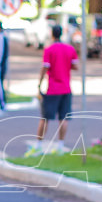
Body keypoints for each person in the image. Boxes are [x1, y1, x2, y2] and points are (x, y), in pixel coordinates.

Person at [25, 24, 79, 156]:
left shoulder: (49, 50)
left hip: (53, 88)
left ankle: (38, 145)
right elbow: (75, 66)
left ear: (52, 34)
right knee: (64, 118)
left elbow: (45, 67)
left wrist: (39, 84)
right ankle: (60, 145)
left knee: (45, 118)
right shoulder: (70, 49)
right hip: (66, 88)